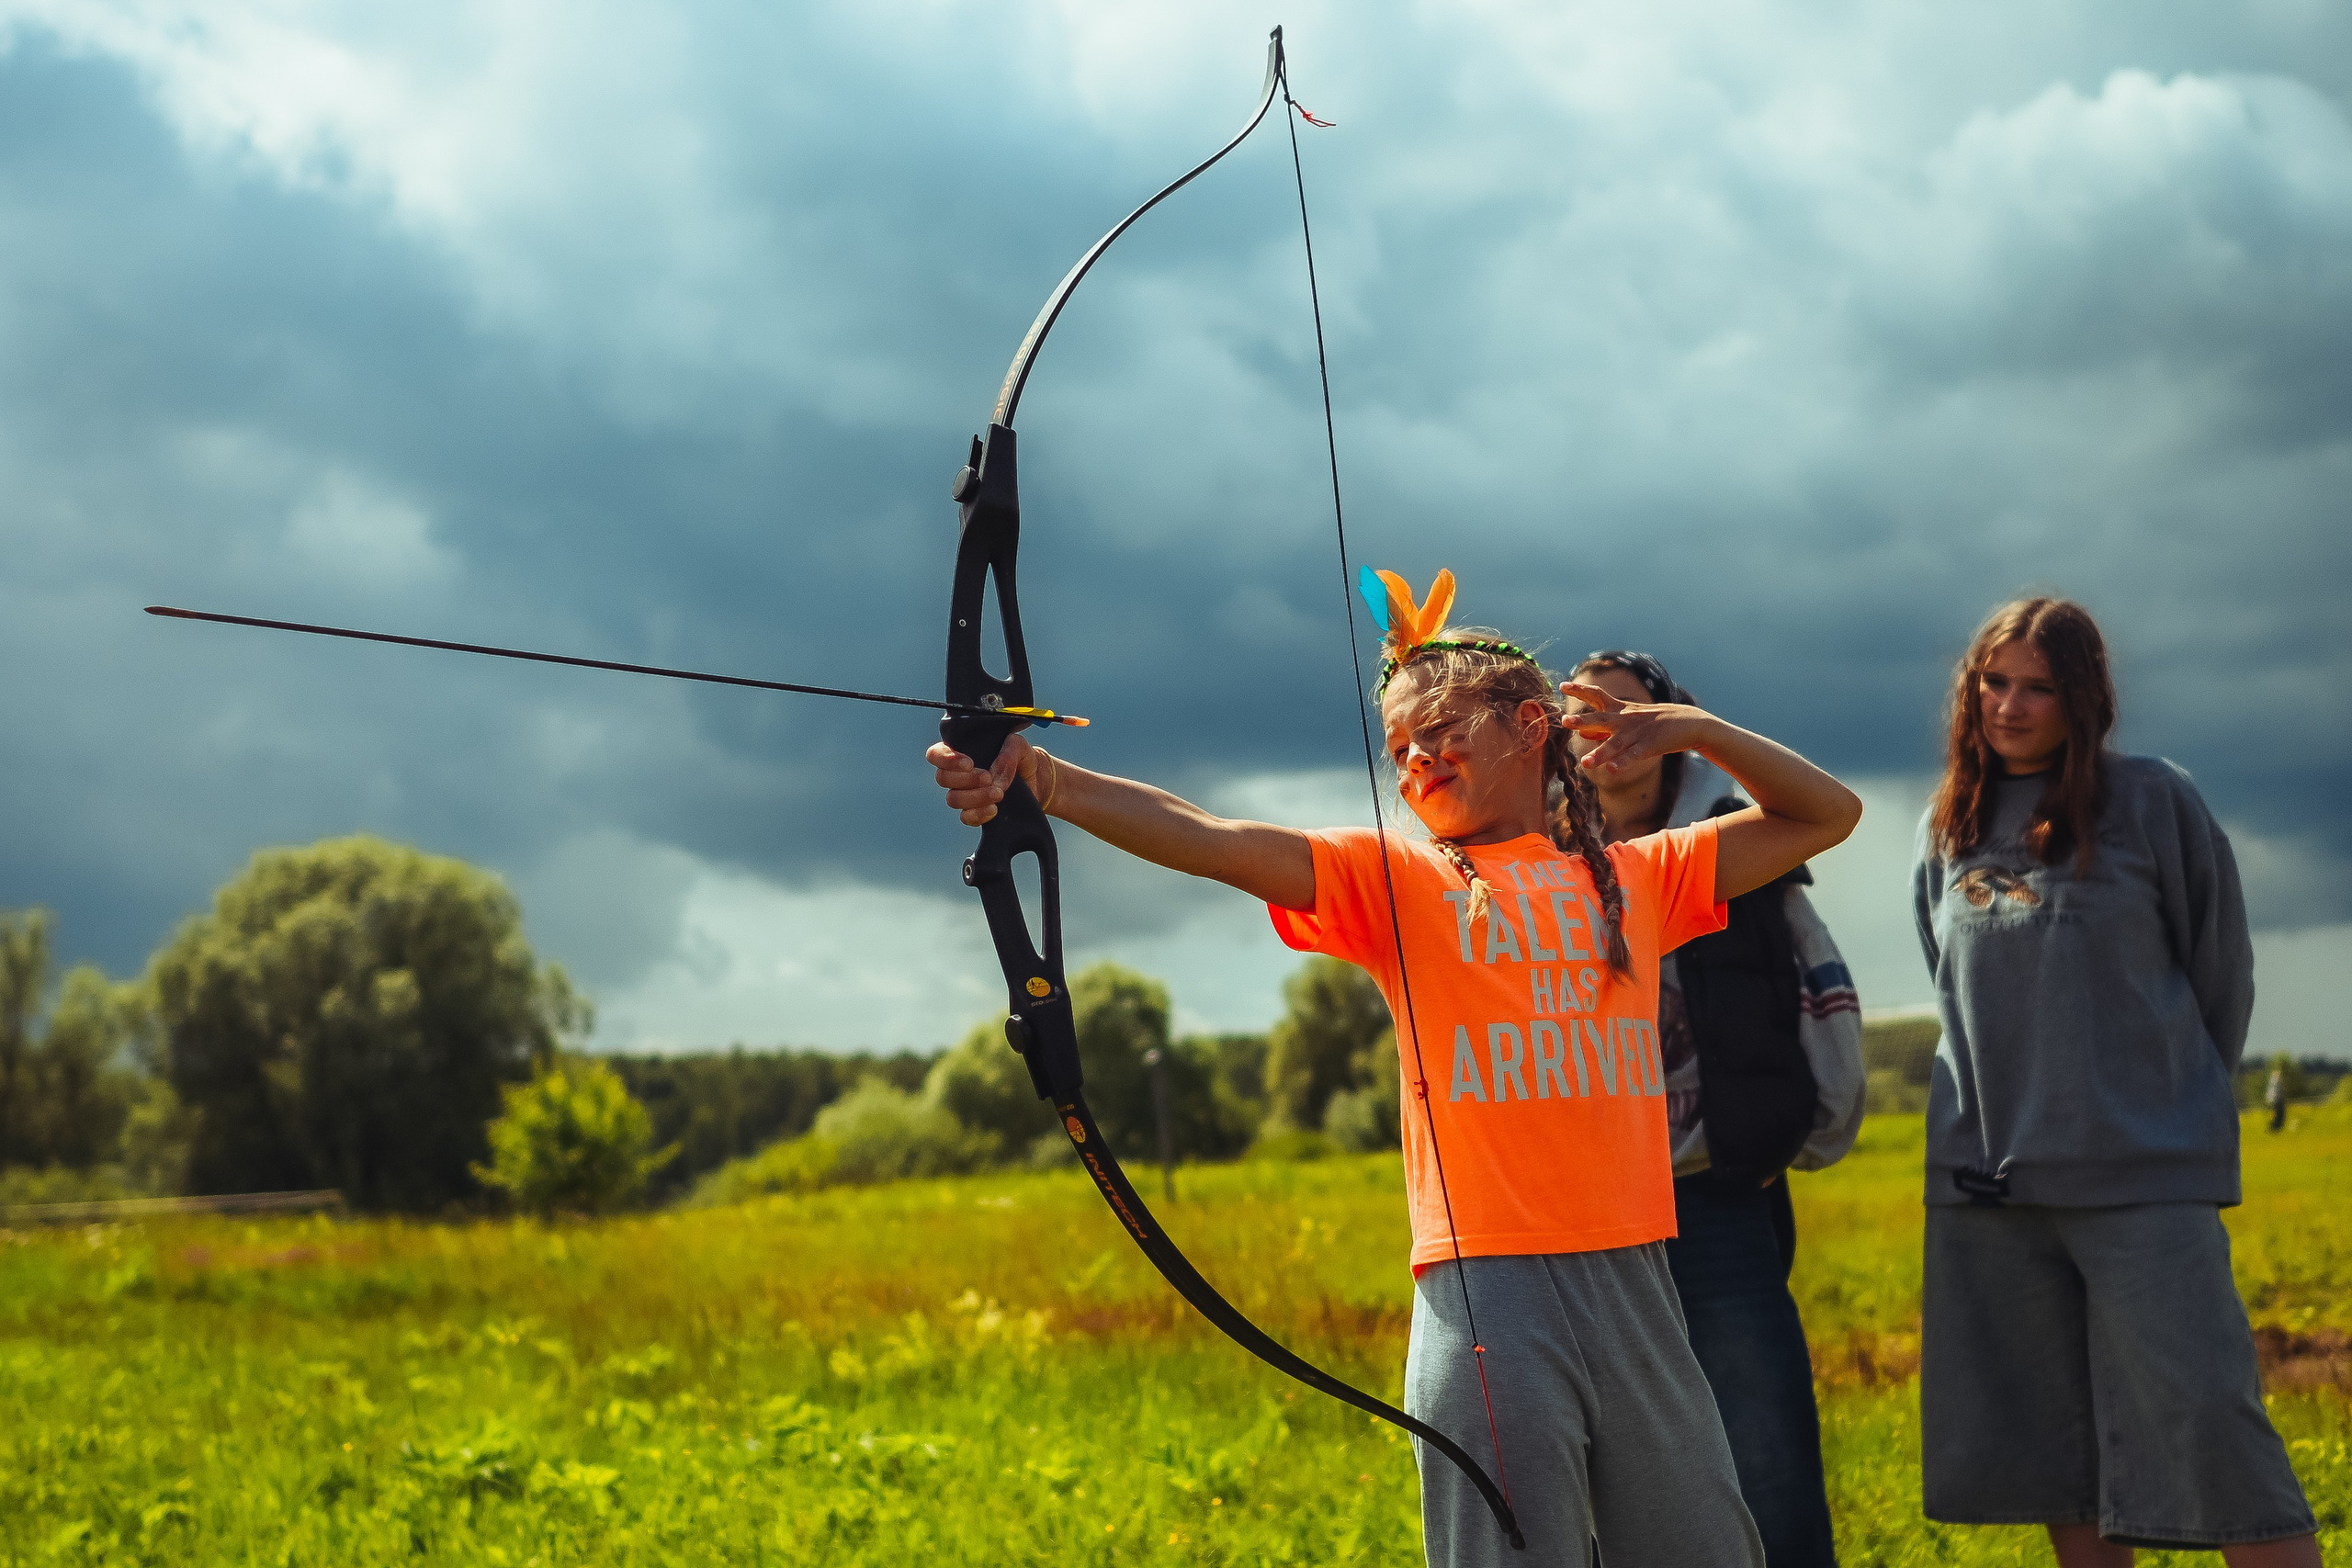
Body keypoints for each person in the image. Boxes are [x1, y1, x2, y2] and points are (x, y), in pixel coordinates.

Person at [929, 569, 1862, 1568]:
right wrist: (1047, 782)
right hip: (1486, 1296)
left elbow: (1825, 815)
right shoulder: (1398, 880)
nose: (1415, 761)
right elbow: (1214, 840)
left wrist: (1696, 731)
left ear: (1530, 728)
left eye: (1444, 732)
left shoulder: (1637, 876)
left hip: (1635, 1272)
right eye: (1399, 747)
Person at [1912, 596, 2320, 1567]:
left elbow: (2219, 973)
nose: (2009, 706)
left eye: (2038, 688)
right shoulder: (1947, 824)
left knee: (2217, 1429)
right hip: (1991, 1192)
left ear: (2082, 699)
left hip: (2142, 1178)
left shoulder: (2151, 799)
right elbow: (1952, 989)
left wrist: (2164, 1111)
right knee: (2056, 1457)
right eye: (1992, 682)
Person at [1567, 650, 1865, 1568]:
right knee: (1614, 1478)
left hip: (1717, 1195)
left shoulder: (1738, 839)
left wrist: (1803, 1130)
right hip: (1587, 1218)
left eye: (1636, 715)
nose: (1611, 732)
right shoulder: (1523, 859)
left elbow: (1818, 987)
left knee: (1766, 1458)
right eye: (1585, 716)